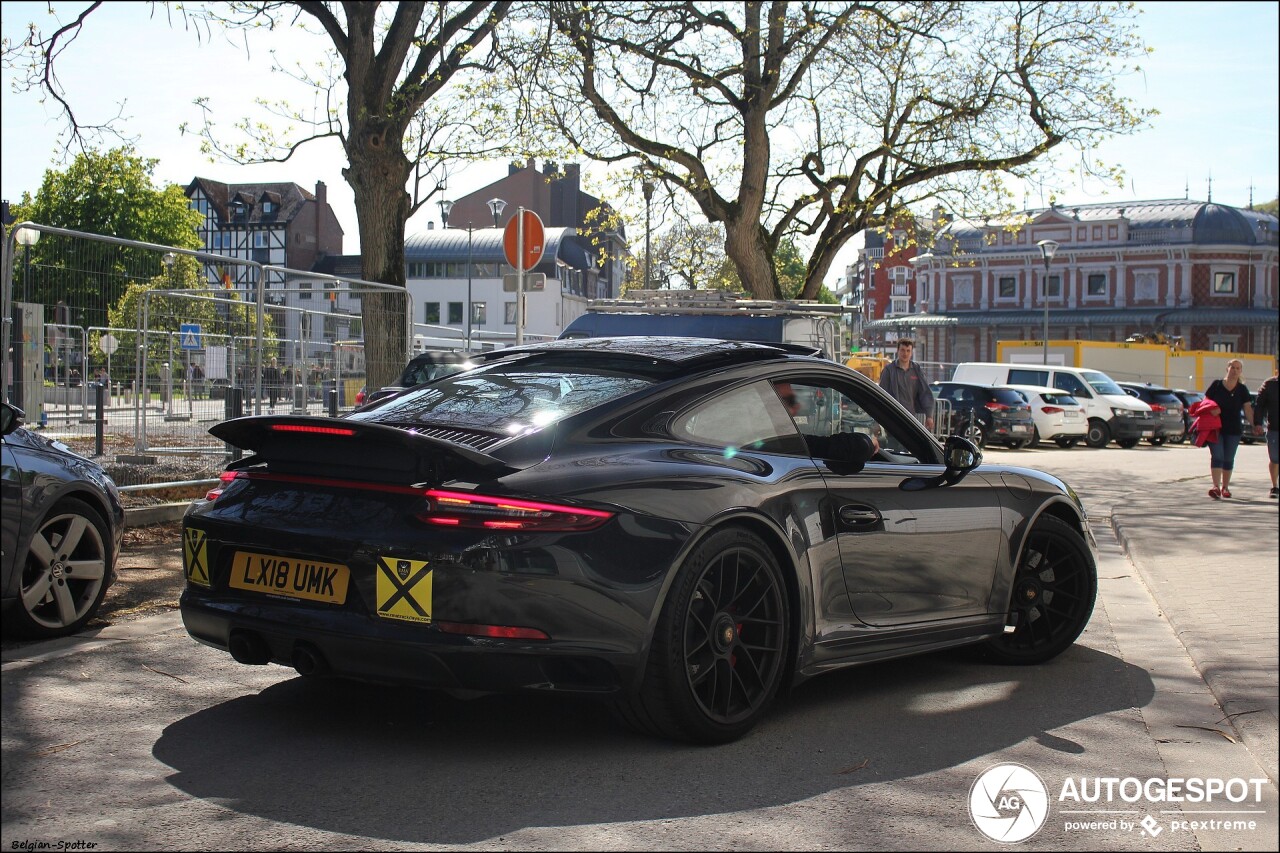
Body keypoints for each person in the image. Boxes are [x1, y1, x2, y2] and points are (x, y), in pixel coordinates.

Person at [774, 381, 878, 470]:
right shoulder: (778, 445)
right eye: (789, 401)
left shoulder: (770, 443)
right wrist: (867, 443)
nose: (798, 406)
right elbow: (824, 447)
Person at [1202, 359, 1260, 500]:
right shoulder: (1216, 385)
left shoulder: (1242, 389)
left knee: (1228, 458)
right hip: (1215, 427)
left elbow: (1247, 409)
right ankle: (1215, 487)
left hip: (1234, 429)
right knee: (1217, 456)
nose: (1234, 370)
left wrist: (1254, 425)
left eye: (1238, 368)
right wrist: (1211, 408)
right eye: (1232, 367)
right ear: (1227, 368)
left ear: (1241, 371)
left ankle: (1225, 487)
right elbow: (1205, 402)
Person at [878, 339, 934, 432]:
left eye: (908, 351)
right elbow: (881, 394)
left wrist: (929, 415)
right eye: (903, 350)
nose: (905, 353)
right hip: (893, 418)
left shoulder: (916, 369)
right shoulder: (889, 370)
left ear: (911, 352)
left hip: (910, 419)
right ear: (898, 351)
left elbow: (925, 392)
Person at [1254, 358, 1279, 499]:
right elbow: (1260, 405)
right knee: (1275, 459)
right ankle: (1275, 486)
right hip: (1274, 428)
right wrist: (1258, 423)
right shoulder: (1269, 384)